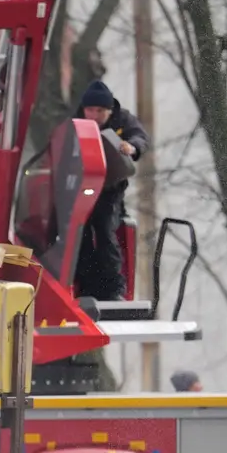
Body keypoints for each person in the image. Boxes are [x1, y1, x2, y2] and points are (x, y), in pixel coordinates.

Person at [73, 79, 149, 302]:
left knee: (106, 232)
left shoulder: (123, 120)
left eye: (99, 111)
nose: (94, 116)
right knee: (80, 236)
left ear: (109, 110)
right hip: (79, 190)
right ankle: (85, 287)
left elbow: (140, 138)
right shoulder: (75, 122)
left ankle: (114, 289)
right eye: (90, 110)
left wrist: (131, 147)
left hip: (110, 190)